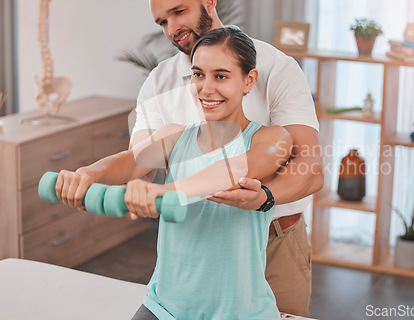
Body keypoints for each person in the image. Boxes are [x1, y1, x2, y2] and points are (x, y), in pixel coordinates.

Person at [57, 27, 292, 319]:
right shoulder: (174, 136)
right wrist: (86, 174)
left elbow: (232, 170)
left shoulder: (271, 138)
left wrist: (164, 192)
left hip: (239, 311)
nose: (206, 88)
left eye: (221, 76)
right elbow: (130, 161)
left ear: (249, 80)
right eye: (198, 74)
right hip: (164, 306)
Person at [131, 0, 324, 316]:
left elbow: (310, 167)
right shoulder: (158, 83)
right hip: (193, 248)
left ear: (209, 1)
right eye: (162, 21)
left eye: (179, 11)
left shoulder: (275, 66)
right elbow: (136, 162)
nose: (172, 28)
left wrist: (265, 197)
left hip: (275, 238)